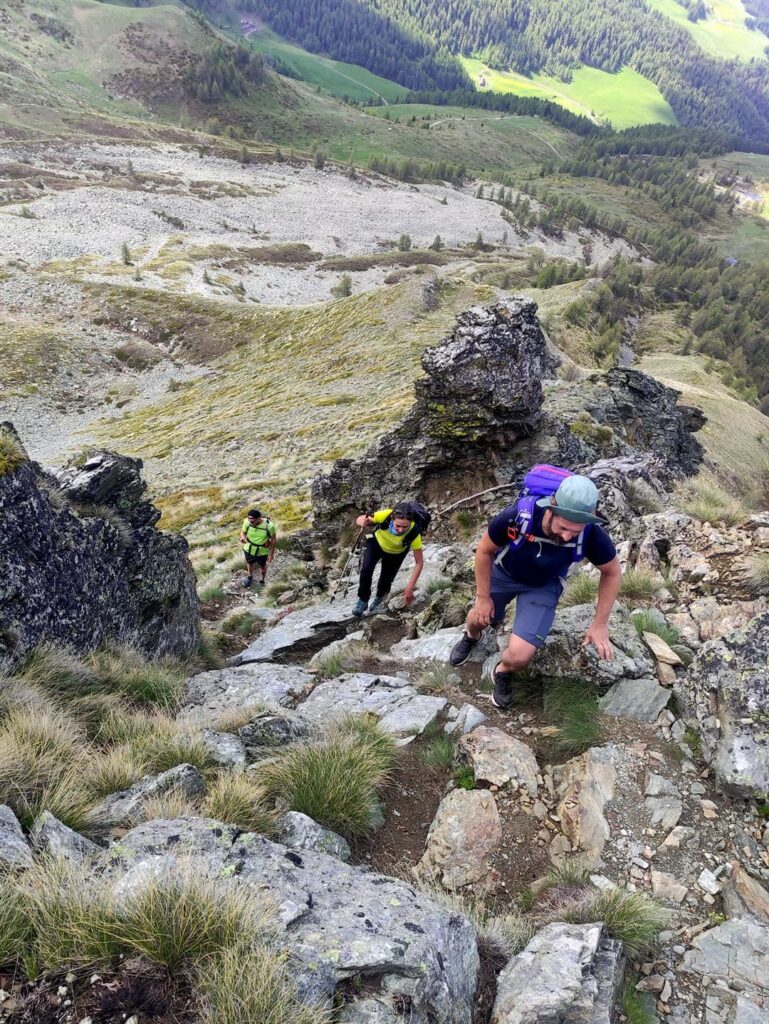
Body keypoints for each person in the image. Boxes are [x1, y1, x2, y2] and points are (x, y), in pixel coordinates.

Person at [449, 472, 621, 709]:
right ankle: (471, 637)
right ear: (550, 509)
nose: (567, 536)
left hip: (544, 585)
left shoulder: (591, 535)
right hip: (504, 574)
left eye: (576, 531)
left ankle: (501, 671)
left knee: (520, 656)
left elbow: (612, 572)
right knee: (479, 618)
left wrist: (600, 624)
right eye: (563, 527)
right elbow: (484, 551)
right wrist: (482, 597)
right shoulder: (518, 516)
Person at [352, 503, 425, 616]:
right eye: (398, 526)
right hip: (376, 543)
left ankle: (379, 598)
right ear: (392, 518)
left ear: (410, 523)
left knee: (386, 578)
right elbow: (360, 519)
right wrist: (362, 521)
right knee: (366, 569)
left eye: (405, 527)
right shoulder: (386, 514)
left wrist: (409, 588)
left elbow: (419, 563)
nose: (401, 529)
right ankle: (363, 599)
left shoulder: (415, 531)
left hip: (397, 552)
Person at [239, 509, 277, 588]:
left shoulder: (269, 526)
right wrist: (242, 537)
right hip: (249, 548)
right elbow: (243, 532)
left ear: (259, 518)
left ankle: (262, 580)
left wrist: (271, 554)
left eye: (253, 521)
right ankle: (249, 577)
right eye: (249, 521)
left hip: (262, 551)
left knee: (262, 566)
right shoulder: (246, 521)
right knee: (249, 563)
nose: (251, 523)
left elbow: (273, 540)